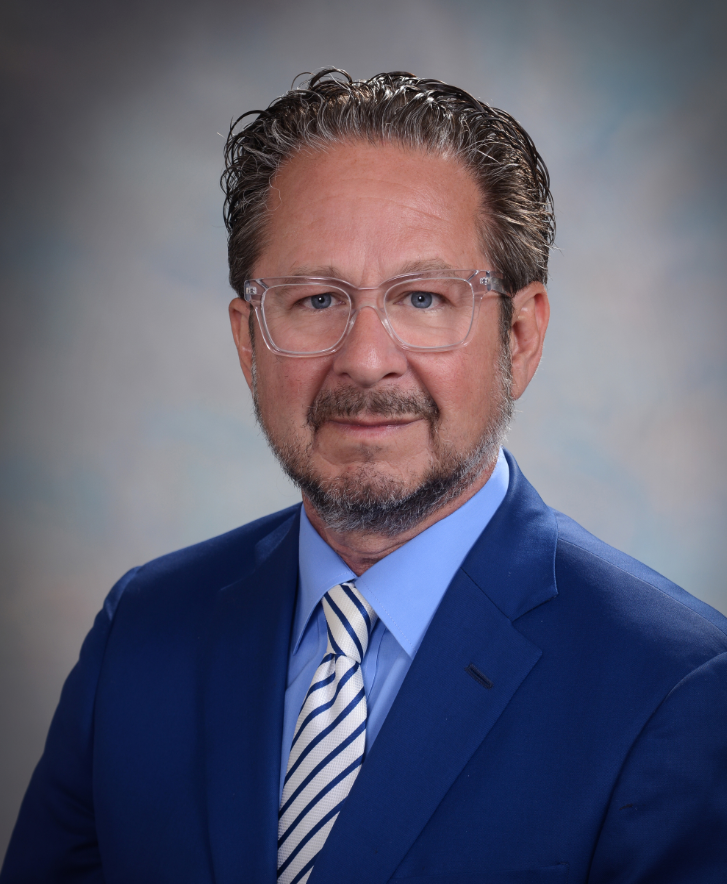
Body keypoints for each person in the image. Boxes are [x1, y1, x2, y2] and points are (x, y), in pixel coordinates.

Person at [2, 69, 726, 884]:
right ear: (249, 340)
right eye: (315, 300)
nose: (366, 359)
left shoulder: (677, 688)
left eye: (422, 297)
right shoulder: (141, 632)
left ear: (518, 337)